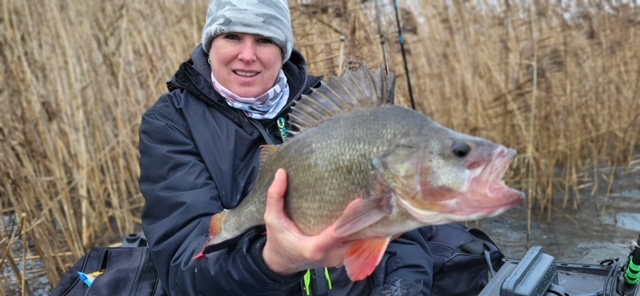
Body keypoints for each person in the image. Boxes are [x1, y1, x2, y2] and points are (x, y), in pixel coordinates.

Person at [139, 0, 438, 295]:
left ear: (283, 50)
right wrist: (273, 261)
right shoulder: (172, 122)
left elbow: (402, 228)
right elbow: (185, 265)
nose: (247, 55)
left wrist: (400, 289)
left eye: (265, 39)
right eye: (232, 36)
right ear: (210, 44)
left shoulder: (337, 107)